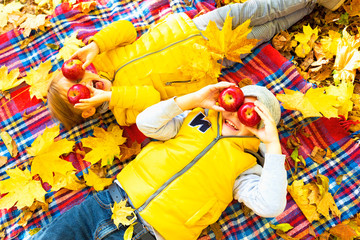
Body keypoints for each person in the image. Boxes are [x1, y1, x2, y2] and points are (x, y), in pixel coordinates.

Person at [33, 82, 286, 240]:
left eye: (253, 118)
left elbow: (270, 206)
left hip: (149, 234)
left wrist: (272, 146)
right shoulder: (192, 119)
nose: (240, 118)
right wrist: (192, 100)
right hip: (108, 202)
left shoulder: (247, 167)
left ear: (261, 130)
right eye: (241, 106)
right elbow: (146, 123)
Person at [47, 0, 345, 130]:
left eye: (78, 78)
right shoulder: (122, 112)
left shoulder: (102, 58)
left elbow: (127, 29)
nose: (85, 83)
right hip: (207, 61)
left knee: (255, 10)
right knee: (267, 31)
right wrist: (113, 96)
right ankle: (313, 4)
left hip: (191, 30)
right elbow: (151, 99)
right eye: (80, 93)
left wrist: (95, 44)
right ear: (86, 109)